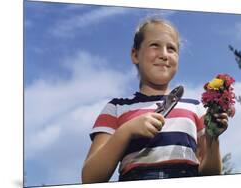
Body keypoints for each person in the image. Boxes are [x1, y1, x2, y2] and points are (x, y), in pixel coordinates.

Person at [81, 17, 229, 183]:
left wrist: (213, 139)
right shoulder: (116, 108)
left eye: (171, 49)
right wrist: (126, 131)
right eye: (154, 45)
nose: (164, 55)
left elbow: (211, 175)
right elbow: (89, 178)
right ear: (135, 54)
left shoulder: (196, 108)